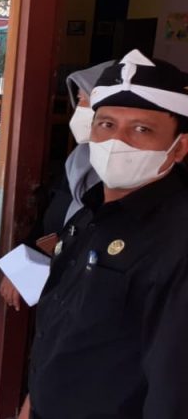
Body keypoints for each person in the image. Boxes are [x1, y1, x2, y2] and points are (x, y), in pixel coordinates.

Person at [24, 49, 188, 418]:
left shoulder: (176, 240)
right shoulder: (91, 210)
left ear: (179, 147)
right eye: (107, 124)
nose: (117, 141)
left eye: (141, 129)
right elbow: (61, 330)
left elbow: (174, 388)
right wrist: (33, 401)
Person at [0, 60, 113, 311]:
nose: (78, 109)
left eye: (84, 101)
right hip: (52, 285)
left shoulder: (121, 175)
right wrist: (22, 269)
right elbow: (51, 218)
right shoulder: (78, 160)